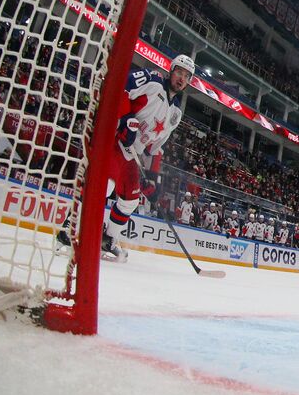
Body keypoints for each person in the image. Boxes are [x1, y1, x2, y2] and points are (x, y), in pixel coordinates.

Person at [58, 54, 196, 261]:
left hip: (132, 154)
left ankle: (108, 239)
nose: (181, 78)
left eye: (187, 76)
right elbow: (121, 86)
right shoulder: (152, 79)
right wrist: (125, 118)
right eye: (179, 72)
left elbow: (154, 150)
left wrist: (151, 178)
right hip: (114, 140)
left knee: (130, 199)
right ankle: (69, 229)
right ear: (171, 70)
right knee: (106, 186)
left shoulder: (176, 113)